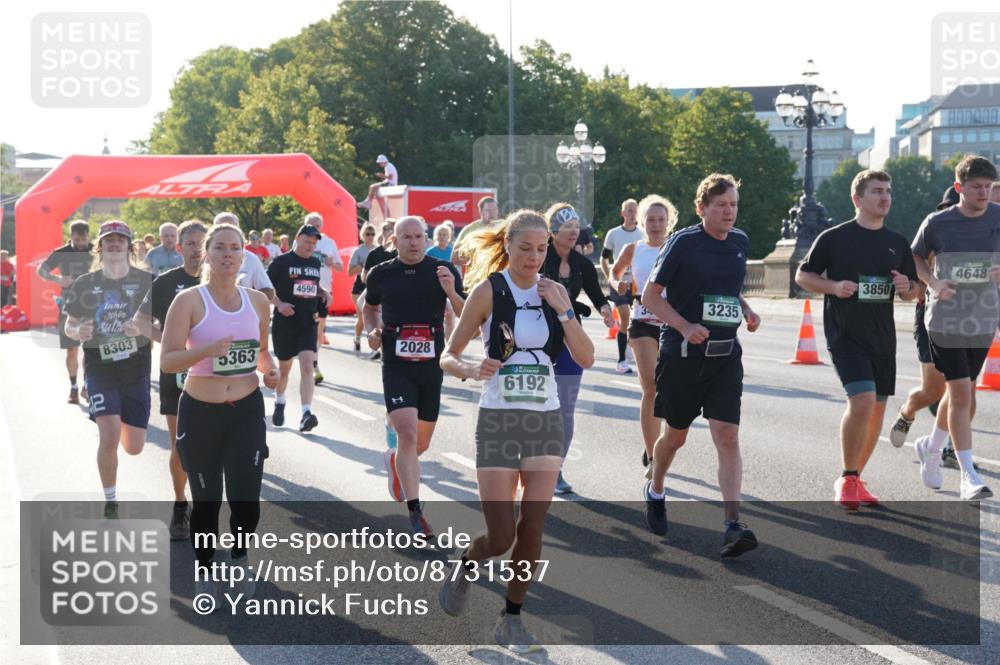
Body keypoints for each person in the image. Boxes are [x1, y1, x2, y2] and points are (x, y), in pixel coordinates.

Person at [438, 210, 594, 653]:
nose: (534, 257)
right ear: (507, 245)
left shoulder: (555, 292)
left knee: (533, 526)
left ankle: (511, 619)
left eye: (542, 249)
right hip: (500, 419)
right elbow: (448, 356)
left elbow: (586, 357)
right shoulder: (488, 291)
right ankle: (468, 563)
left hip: (544, 417)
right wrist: (471, 367)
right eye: (525, 248)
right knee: (502, 536)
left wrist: (565, 311)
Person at [640, 174, 762, 557]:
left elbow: (729, 289)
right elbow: (651, 296)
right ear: (702, 208)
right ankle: (656, 487)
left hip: (726, 355)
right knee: (675, 437)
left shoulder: (739, 242)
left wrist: (746, 308)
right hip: (683, 356)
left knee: (727, 434)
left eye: (734, 205)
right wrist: (684, 326)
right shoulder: (683, 243)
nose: (729, 212)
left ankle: (731, 523)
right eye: (721, 205)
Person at [159, 222, 279, 605]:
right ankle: (206, 566)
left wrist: (270, 370)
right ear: (206, 254)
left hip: (245, 408)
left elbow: (261, 353)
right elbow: (168, 361)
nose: (228, 254)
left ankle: (240, 556)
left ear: (244, 254)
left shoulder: (258, 302)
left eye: (235, 248)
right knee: (207, 501)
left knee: (246, 498)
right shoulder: (190, 301)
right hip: (200, 412)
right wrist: (205, 351)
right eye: (220, 248)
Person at [795, 170, 918, 510]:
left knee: (877, 410)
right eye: (877, 191)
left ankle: (857, 478)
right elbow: (803, 275)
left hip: (882, 337)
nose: (885, 197)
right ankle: (848, 477)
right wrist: (833, 287)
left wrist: (908, 288)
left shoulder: (897, 241)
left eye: (888, 191)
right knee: (862, 400)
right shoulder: (834, 238)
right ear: (857, 199)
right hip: (845, 333)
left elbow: (914, 291)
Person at [363, 216, 465, 536]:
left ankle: (396, 461)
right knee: (407, 433)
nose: (413, 242)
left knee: (420, 444)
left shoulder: (443, 270)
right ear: (395, 240)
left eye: (419, 236)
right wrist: (371, 332)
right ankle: (415, 512)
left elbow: (465, 314)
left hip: (431, 364)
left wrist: (450, 289)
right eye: (406, 237)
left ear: (427, 238)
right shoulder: (381, 273)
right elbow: (369, 308)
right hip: (396, 363)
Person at [910, 155, 1000, 501]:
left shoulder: (997, 216)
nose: (983, 193)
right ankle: (968, 475)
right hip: (945, 319)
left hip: (982, 318)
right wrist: (933, 283)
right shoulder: (938, 222)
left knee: (959, 393)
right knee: (961, 393)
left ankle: (931, 448)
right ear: (959, 187)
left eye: (988, 187)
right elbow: (915, 257)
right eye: (976, 187)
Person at [63, 221, 153, 518]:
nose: (115, 244)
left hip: (136, 370)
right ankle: (111, 499)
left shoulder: (146, 280)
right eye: (109, 240)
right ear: (99, 247)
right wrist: (79, 332)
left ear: (130, 245)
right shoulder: (86, 283)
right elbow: (69, 324)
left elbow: (162, 325)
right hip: (100, 369)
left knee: (134, 447)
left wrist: (141, 327)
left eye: (120, 240)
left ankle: (123, 428)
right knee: (109, 435)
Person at [132, 220, 208, 540]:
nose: (197, 250)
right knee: (182, 443)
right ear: (180, 248)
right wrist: (171, 343)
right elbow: (139, 321)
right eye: (190, 244)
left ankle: (206, 507)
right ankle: (180, 505)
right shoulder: (166, 283)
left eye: (202, 244)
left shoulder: (220, 284)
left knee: (212, 445)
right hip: (176, 374)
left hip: (212, 373)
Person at [541, 203, 614, 494]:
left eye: (575, 227)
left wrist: (606, 309)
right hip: (537, 339)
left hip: (570, 338)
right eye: (566, 227)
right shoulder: (538, 255)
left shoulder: (582, 264)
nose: (573, 232)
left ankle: (556, 470)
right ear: (552, 230)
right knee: (537, 408)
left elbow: (597, 295)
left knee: (565, 410)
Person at [887, 187, 957, 466]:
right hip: (929, 317)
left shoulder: (981, 234)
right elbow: (912, 271)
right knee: (933, 391)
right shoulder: (932, 233)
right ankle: (907, 412)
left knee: (961, 388)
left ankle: (946, 447)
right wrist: (926, 285)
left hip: (967, 321)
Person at [611, 195, 678, 477]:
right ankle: (653, 458)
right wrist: (620, 283)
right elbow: (614, 273)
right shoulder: (633, 248)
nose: (656, 225)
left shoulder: (678, 247)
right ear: (642, 221)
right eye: (650, 219)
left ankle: (660, 447)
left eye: (661, 220)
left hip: (673, 324)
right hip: (641, 323)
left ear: (669, 222)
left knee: (670, 392)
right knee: (651, 388)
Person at [267, 224, 324, 432]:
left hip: (307, 322)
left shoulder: (316, 263)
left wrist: (323, 292)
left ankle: (306, 413)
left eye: (314, 243)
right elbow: (265, 289)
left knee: (308, 365)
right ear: (298, 239)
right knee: (284, 369)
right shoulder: (281, 262)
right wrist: (279, 304)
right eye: (307, 241)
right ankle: (280, 400)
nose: (310, 246)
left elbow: (311, 285)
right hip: (285, 323)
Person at [38, 220, 94, 404]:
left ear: (88, 236)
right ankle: (73, 387)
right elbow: (41, 270)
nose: (80, 243)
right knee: (72, 350)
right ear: (70, 236)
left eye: (83, 239)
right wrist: (57, 278)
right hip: (69, 303)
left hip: (93, 303)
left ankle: (87, 385)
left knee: (91, 348)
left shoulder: (95, 251)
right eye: (77, 239)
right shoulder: (60, 253)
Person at [294, 212, 343, 379]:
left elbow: (340, 266)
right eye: (312, 224)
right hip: (302, 290)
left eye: (317, 225)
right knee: (303, 327)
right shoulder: (299, 242)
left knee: (318, 330)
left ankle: (314, 362)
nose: (315, 227)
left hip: (323, 291)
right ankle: (304, 358)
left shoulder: (329, 243)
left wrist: (332, 263)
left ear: (321, 227)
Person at [602, 199, 644, 374]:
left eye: (634, 211)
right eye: (629, 210)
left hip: (637, 282)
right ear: (622, 213)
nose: (632, 213)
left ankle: (628, 341)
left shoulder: (643, 234)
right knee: (625, 317)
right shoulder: (613, 233)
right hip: (619, 282)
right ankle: (621, 361)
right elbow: (603, 258)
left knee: (639, 319)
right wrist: (610, 278)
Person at [212, 212, 275, 301]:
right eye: (221, 228)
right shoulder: (204, 257)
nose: (226, 233)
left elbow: (268, 292)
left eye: (231, 228)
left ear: (239, 232)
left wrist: (241, 298)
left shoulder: (251, 259)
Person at [361, 219, 399, 361]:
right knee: (362, 306)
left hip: (395, 291)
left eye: (392, 229)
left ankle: (386, 351)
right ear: (383, 232)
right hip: (376, 290)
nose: (389, 232)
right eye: (387, 229)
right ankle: (370, 338)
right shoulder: (374, 253)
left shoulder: (400, 252)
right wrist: (376, 276)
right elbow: (364, 277)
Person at [349, 223, 378, 352]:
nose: (370, 236)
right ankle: (357, 337)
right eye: (368, 234)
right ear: (362, 235)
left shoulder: (378, 250)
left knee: (374, 316)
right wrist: (364, 266)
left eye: (372, 234)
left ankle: (374, 348)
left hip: (375, 286)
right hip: (359, 287)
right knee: (363, 317)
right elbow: (349, 271)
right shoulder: (358, 251)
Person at [453, 197, 501, 267]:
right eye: (488, 210)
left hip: (498, 274)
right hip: (477, 276)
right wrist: (473, 264)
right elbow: (454, 257)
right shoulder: (470, 230)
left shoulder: (505, 227)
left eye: (494, 209)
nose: (492, 213)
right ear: (481, 211)